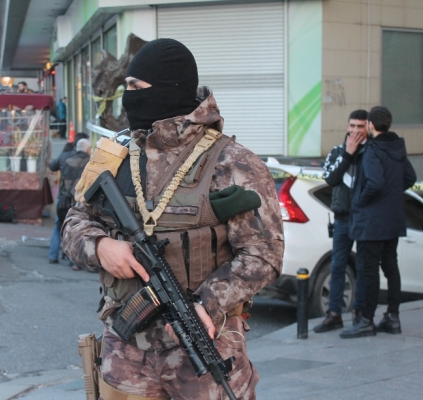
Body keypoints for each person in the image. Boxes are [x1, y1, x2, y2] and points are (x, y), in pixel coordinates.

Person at [61, 38, 284, 400]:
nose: (128, 96)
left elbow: (264, 254)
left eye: (136, 87)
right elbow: (74, 221)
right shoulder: (115, 156)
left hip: (206, 342)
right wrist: (101, 247)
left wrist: (205, 304)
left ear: (169, 89)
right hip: (127, 348)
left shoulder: (233, 163)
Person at [340, 106, 416, 339]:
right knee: (391, 268)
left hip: (371, 222)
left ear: (371, 126)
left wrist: (360, 201)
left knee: (368, 271)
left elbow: (375, 182)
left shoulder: (373, 149)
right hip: (392, 219)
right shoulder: (397, 147)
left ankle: (366, 321)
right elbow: (410, 177)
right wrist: (391, 195)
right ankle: (393, 317)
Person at [313, 110, 368, 333]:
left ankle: (361, 313)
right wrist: (348, 154)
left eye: (360, 127)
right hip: (342, 218)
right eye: (352, 126)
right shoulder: (337, 152)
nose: (355, 131)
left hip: (364, 219)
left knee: (365, 267)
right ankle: (334, 313)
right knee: (337, 266)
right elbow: (331, 178)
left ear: (368, 128)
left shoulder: (370, 153)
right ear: (347, 126)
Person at [48, 133, 89, 264]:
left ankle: (53, 256)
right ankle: (73, 260)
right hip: (79, 200)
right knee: (77, 228)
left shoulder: (65, 158)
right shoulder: (90, 162)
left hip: (63, 199)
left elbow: (52, 166)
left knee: (58, 227)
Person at [58, 138, 92, 271]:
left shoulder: (67, 161)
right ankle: (86, 263)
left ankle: (68, 259)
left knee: (66, 229)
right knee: (86, 231)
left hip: (67, 200)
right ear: (88, 150)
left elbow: (62, 183)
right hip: (82, 201)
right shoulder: (90, 163)